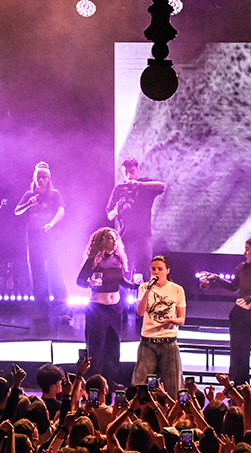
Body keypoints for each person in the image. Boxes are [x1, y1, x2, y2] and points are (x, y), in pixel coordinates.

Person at [198, 236, 251, 387]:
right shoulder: (244, 268)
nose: (244, 253)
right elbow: (233, 287)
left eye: (248, 249)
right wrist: (216, 278)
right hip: (240, 317)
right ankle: (239, 390)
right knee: (239, 355)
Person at [76, 227, 130, 383]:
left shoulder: (118, 260)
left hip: (115, 309)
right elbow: (80, 281)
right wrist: (89, 283)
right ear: (102, 240)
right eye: (110, 238)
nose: (114, 241)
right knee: (96, 346)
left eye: (115, 238)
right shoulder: (93, 260)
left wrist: (133, 285)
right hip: (98, 309)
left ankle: (109, 380)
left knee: (113, 345)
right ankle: (94, 381)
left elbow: (121, 280)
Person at [14, 162, 65, 324]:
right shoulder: (29, 195)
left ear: (48, 179)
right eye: (38, 177)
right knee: (38, 275)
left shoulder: (54, 194)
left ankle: (63, 310)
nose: (40, 180)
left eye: (43, 177)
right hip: (34, 241)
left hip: (51, 241)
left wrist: (51, 223)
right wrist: (29, 203)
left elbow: (62, 210)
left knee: (56, 273)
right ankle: (42, 309)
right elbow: (17, 211)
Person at [105, 157, 166, 276]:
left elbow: (163, 186)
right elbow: (109, 216)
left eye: (132, 171)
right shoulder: (119, 189)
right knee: (124, 271)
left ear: (138, 170)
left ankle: (143, 288)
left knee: (144, 271)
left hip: (143, 236)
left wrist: (140, 184)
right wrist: (116, 211)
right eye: (126, 172)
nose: (129, 175)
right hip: (124, 237)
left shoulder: (145, 186)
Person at [133, 254, 184, 386]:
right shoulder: (144, 287)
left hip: (168, 342)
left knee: (173, 385)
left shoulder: (177, 290)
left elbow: (181, 319)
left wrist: (171, 320)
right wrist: (148, 291)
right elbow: (140, 312)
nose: (156, 272)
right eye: (153, 269)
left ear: (167, 270)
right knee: (141, 384)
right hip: (148, 342)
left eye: (160, 269)